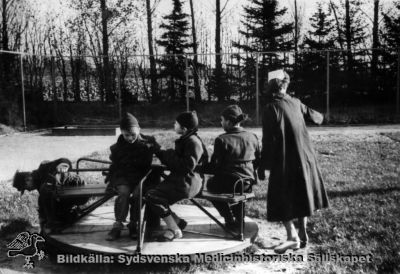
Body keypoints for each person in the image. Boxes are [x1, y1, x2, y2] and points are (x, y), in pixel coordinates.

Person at [258, 69, 329, 254]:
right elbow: (317, 118)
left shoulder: (270, 109)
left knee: (281, 197)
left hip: (284, 161)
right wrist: (319, 117)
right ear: (285, 84)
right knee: (301, 194)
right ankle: (303, 232)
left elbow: (267, 141)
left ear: (270, 86)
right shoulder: (296, 102)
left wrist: (263, 166)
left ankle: (292, 236)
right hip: (304, 158)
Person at [145, 111, 208, 241]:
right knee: (153, 193)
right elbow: (177, 161)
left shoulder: (192, 142)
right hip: (186, 180)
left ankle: (174, 229)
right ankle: (178, 222)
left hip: (188, 183)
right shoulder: (188, 139)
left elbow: (185, 166)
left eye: (176, 123)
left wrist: (162, 151)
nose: (174, 124)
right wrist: (158, 150)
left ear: (183, 129)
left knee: (153, 196)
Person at [205, 105, 260, 231]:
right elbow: (257, 160)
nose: (221, 123)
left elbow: (215, 167)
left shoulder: (222, 139)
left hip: (229, 183)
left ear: (229, 122)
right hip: (247, 183)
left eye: (222, 120)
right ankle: (240, 220)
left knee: (211, 185)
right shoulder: (252, 136)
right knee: (234, 189)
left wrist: (200, 167)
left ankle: (229, 218)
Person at [106, 112, 160, 241]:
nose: (130, 138)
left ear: (139, 130)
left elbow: (159, 157)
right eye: (126, 135)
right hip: (123, 177)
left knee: (138, 194)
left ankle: (133, 224)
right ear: (121, 133)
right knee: (123, 193)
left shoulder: (149, 143)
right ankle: (118, 225)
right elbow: (115, 166)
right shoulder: (117, 147)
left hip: (142, 178)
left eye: (133, 135)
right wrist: (111, 180)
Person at [13, 158, 87, 233]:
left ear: (27, 179)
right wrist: (43, 226)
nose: (28, 190)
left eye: (26, 188)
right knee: (45, 195)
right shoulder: (40, 185)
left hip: (78, 188)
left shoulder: (43, 168)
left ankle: (55, 222)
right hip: (69, 196)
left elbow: (62, 160)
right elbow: (42, 208)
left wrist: (63, 166)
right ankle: (58, 221)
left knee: (46, 188)